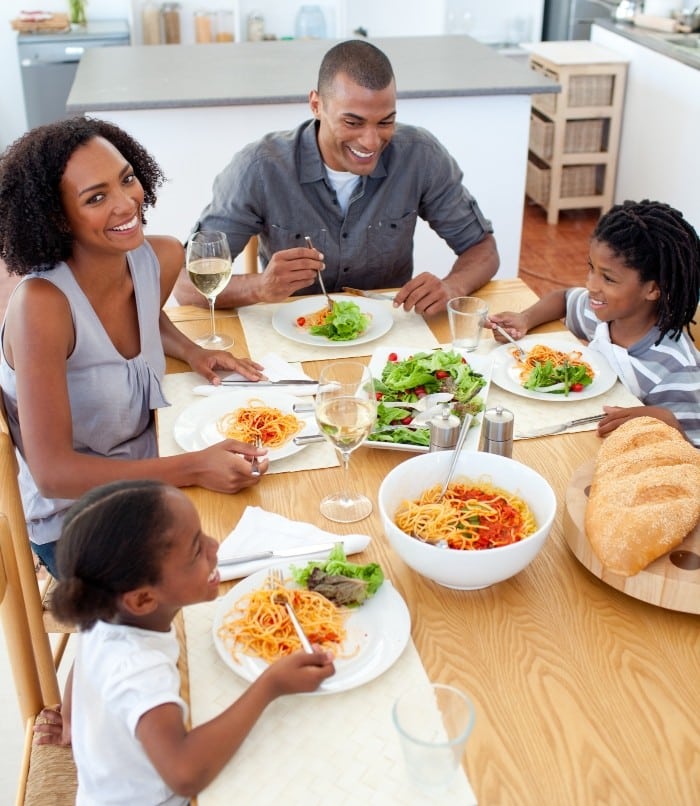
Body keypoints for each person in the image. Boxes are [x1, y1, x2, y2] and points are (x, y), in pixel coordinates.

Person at [0, 117, 269, 578]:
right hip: (77, 519)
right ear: (55, 216)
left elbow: (144, 314)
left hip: (154, 465)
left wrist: (191, 349)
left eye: (127, 178)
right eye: (96, 197)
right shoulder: (42, 306)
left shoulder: (158, 258)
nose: (127, 204)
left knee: (269, 533)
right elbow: (53, 474)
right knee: (211, 579)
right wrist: (191, 468)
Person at [33, 480, 335, 804]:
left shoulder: (100, 611)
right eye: (196, 551)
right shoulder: (140, 670)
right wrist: (270, 686)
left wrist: (73, 721)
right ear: (143, 599)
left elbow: (83, 668)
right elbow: (185, 774)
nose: (215, 545)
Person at [174, 39, 499, 316]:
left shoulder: (420, 155)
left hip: (390, 342)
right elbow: (185, 284)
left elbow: (482, 248)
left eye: (385, 122)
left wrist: (451, 285)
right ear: (316, 104)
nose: (371, 142)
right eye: (353, 123)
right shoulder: (259, 168)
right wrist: (260, 287)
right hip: (289, 339)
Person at [487, 199, 700, 446]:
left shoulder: (676, 369)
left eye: (608, 278)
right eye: (592, 269)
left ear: (653, 289)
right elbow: (564, 299)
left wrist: (667, 421)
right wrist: (525, 318)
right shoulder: (602, 313)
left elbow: (693, 457)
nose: (591, 285)